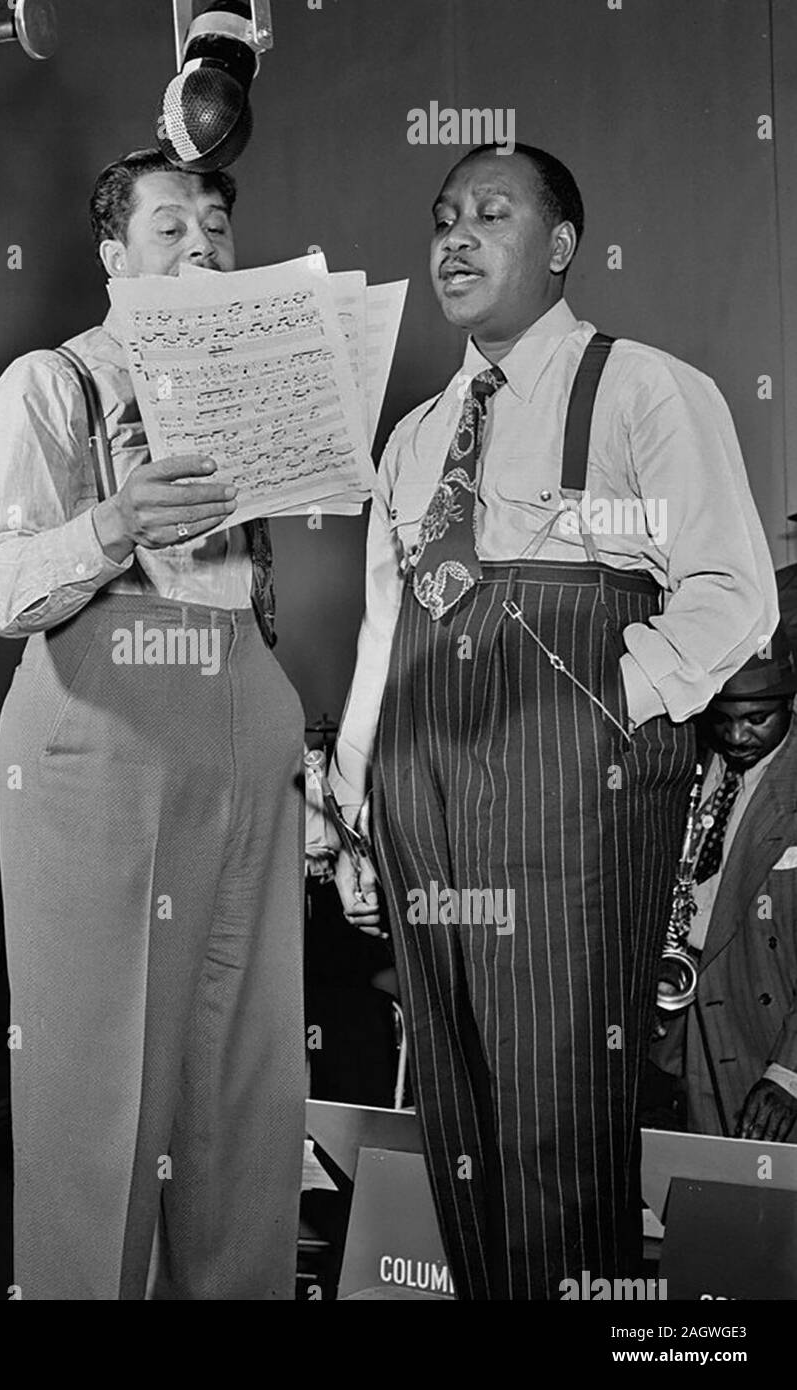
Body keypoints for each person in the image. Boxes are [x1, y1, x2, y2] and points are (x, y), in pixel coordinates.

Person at [327, 141, 777, 1298]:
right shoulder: (419, 435)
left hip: (577, 791)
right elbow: (384, 631)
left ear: (562, 246)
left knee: (559, 1120)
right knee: (463, 1120)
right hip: (423, 793)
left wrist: (603, 711)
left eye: (491, 214)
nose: (456, 238)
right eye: (443, 218)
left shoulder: (646, 390)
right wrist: (356, 799)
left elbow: (734, 590)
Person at [0, 148, 305, 1300]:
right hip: (107, 712)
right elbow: (1, 583)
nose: (201, 246)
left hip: (246, 710)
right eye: (170, 227)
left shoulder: (250, 388)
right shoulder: (50, 381)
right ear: (113, 256)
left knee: (248, 1093)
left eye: (215, 226)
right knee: (100, 1096)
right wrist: (113, 521)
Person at [650, 627, 797, 1142]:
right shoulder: (682, 759)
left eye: (758, 719)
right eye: (723, 720)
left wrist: (788, 1074)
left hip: (770, 1042)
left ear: (791, 701)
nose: (737, 738)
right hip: (677, 1035)